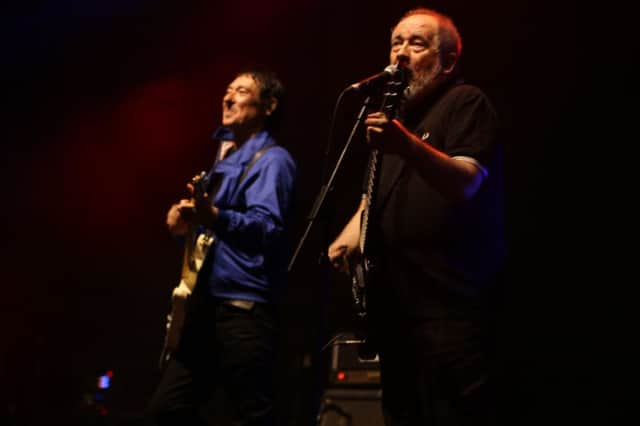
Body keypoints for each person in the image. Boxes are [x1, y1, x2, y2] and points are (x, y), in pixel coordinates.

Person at [328, 7, 506, 426]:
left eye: (417, 43)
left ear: (447, 61)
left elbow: (468, 181)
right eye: (396, 43)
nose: (402, 53)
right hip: (397, 307)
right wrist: (345, 239)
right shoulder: (394, 120)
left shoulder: (464, 102)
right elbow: (374, 197)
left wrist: (406, 145)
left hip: (449, 306)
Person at [148, 66, 296, 426]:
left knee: (251, 414)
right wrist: (183, 222)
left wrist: (212, 215)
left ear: (269, 106)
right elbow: (208, 224)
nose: (228, 97)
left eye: (242, 91)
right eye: (228, 90)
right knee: (167, 410)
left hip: (242, 308)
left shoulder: (273, 161)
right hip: (207, 304)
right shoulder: (225, 160)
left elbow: (267, 228)